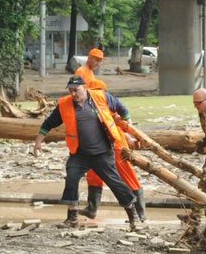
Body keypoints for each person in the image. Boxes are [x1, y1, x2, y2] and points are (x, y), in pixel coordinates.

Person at [34, 76, 141, 229]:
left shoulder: (101, 97)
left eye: (76, 90)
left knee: (116, 183)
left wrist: (129, 128)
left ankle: (133, 216)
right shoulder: (64, 104)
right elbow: (49, 123)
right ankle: (72, 218)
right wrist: (38, 141)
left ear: (84, 87)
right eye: (70, 91)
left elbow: (122, 109)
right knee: (71, 179)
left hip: (102, 153)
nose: (73, 94)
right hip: (79, 154)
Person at [82, 79, 146, 222]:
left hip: (115, 145)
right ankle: (92, 209)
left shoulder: (104, 104)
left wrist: (130, 137)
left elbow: (124, 121)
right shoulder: (98, 105)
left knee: (126, 175)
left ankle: (140, 212)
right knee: (94, 175)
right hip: (100, 146)